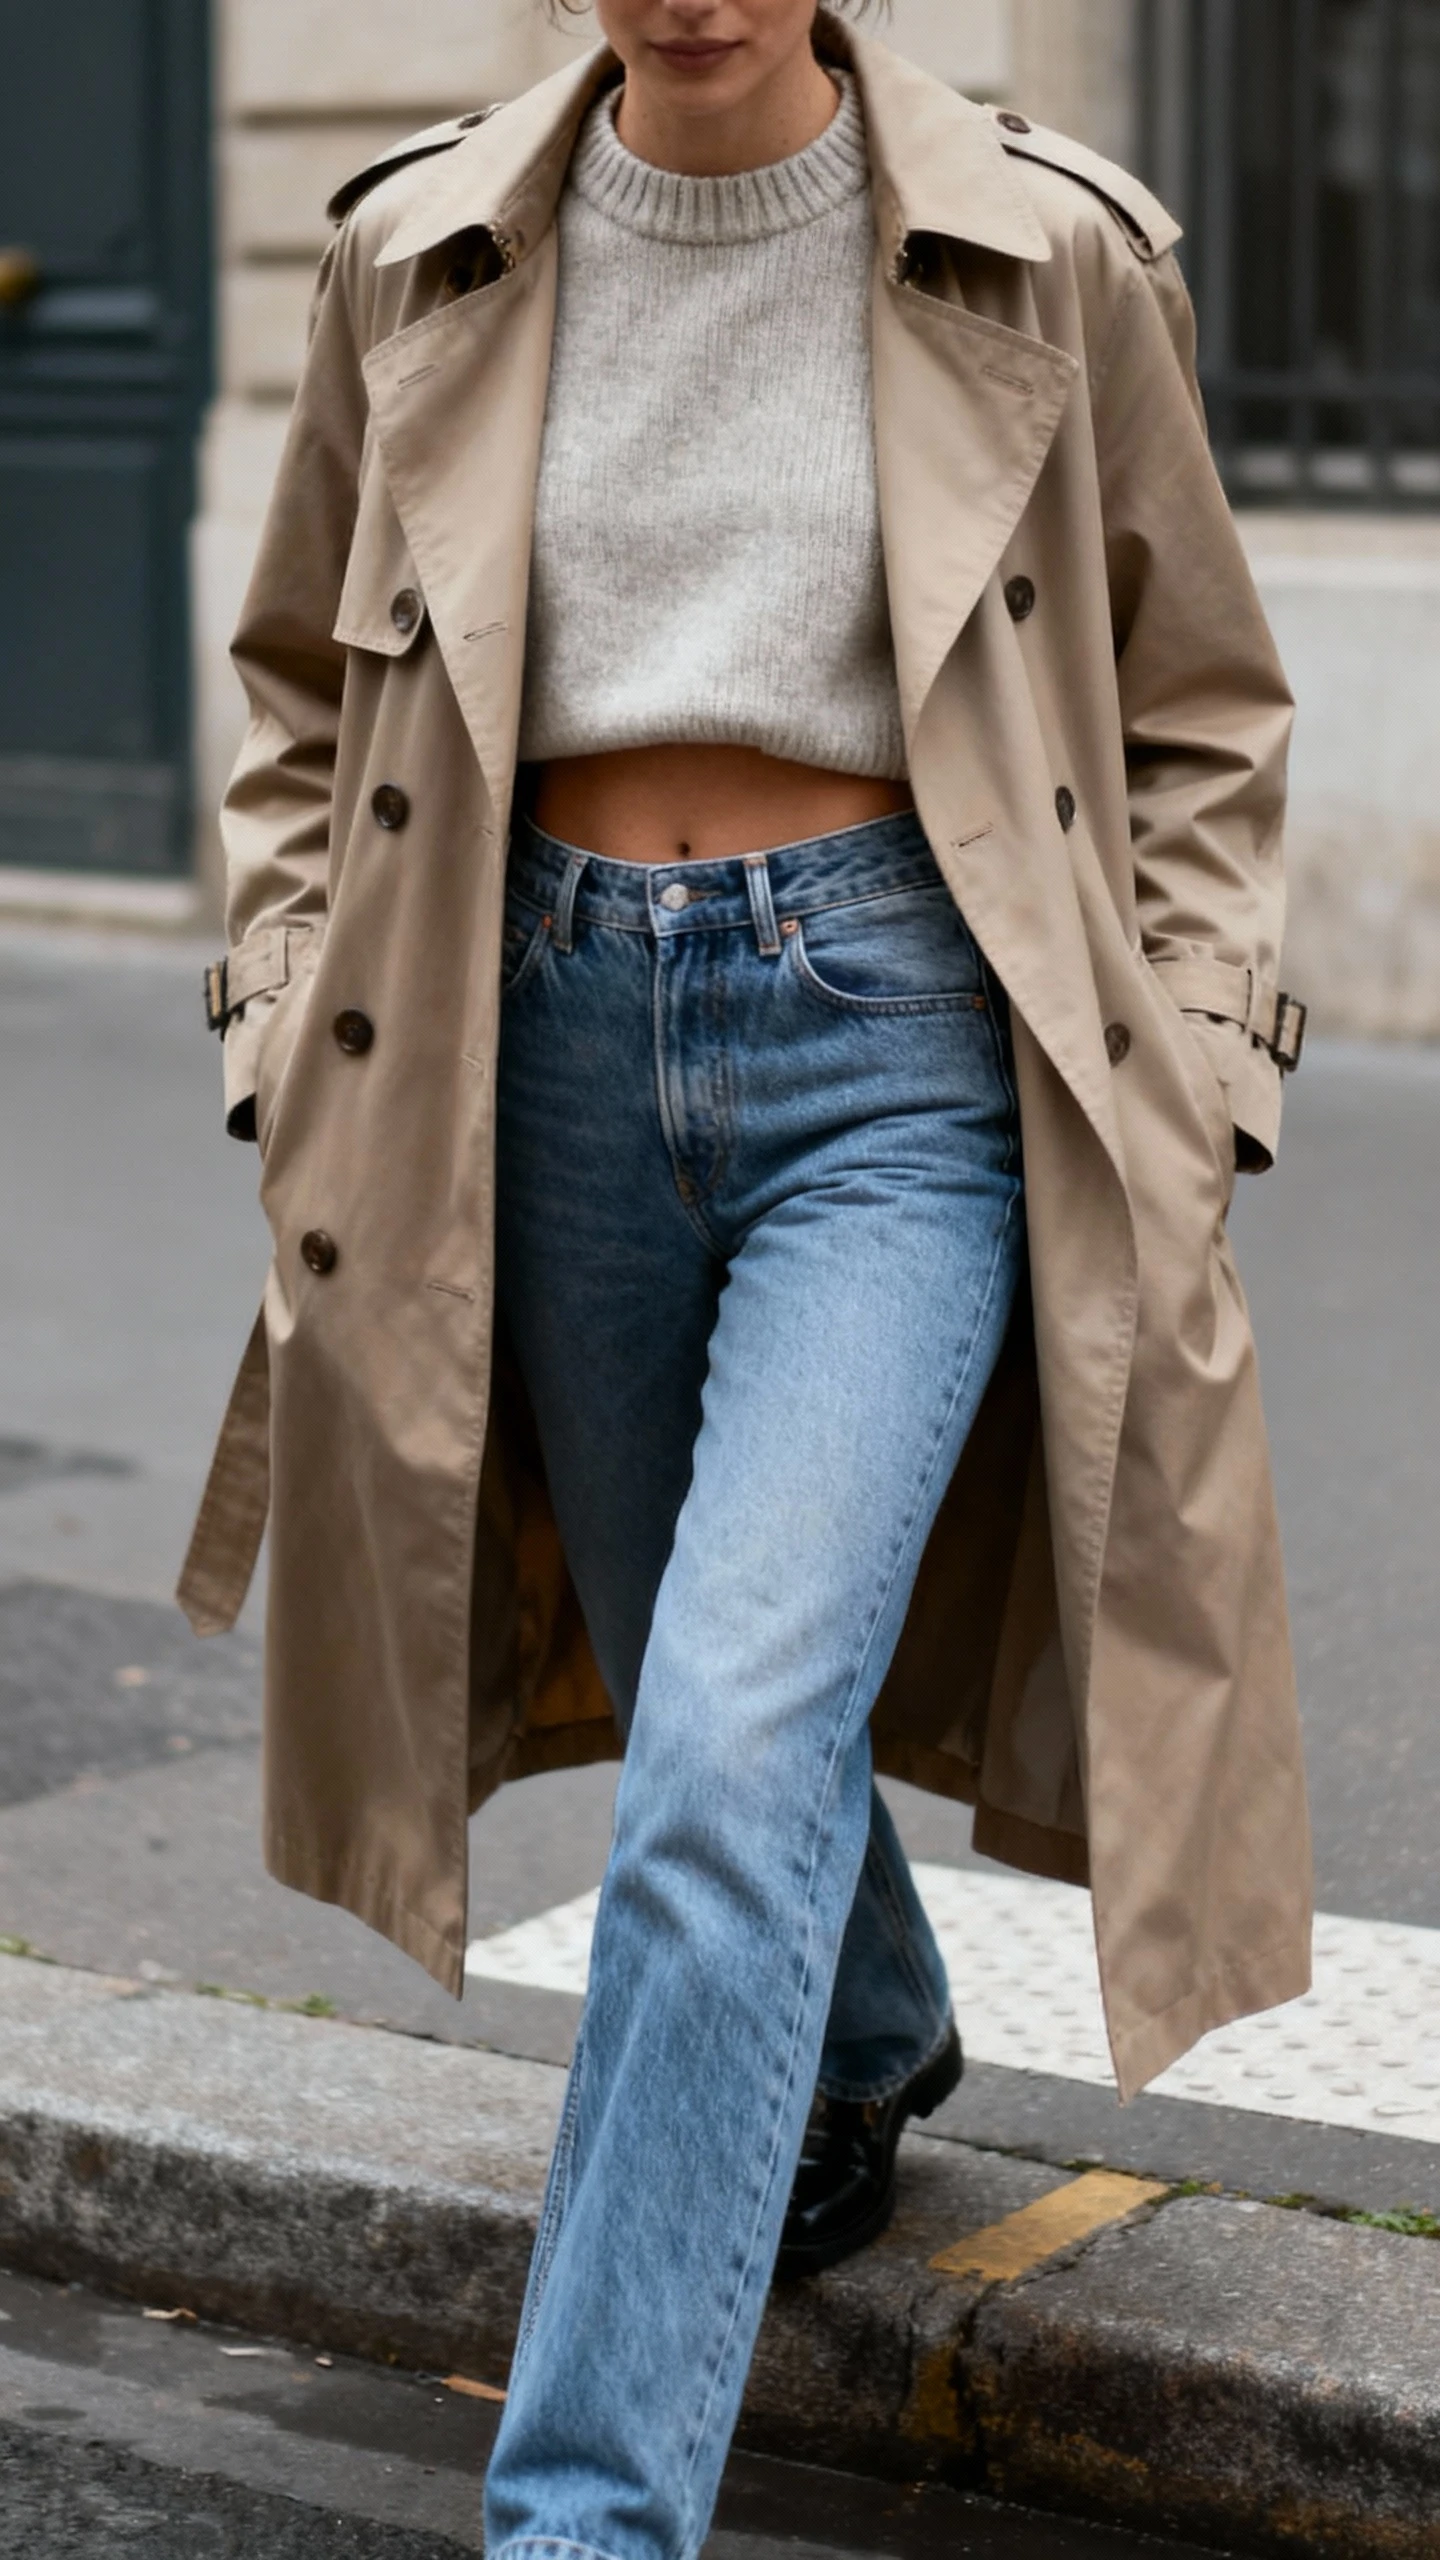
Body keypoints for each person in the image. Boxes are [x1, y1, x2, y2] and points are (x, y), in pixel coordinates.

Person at [181, 5, 1314, 2556]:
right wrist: (282, 1027)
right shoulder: (419, 250)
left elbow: (1207, 719)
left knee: (717, 1752)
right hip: (528, 1047)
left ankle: (583, 2516)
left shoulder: (1047, 249)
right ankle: (863, 2038)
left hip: (897, 1053)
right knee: (722, 1675)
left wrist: (1199, 1084)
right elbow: (286, 704)